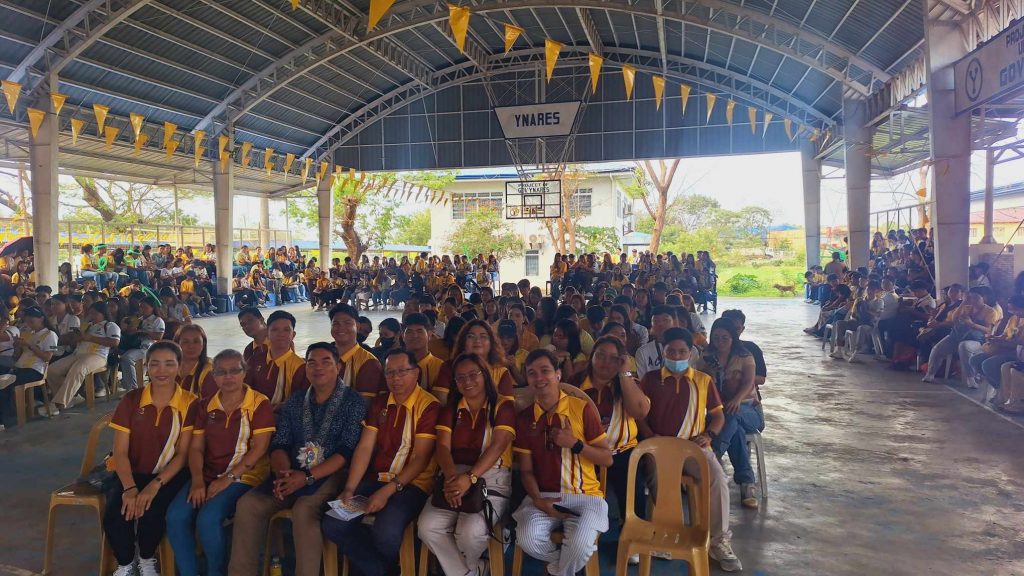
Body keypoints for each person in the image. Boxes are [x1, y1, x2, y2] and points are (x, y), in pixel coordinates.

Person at [228, 342, 367, 576]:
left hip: (330, 475)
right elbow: (280, 443)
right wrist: (284, 475)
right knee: (248, 505)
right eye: (311, 362)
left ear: (339, 367)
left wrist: (307, 477)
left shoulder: (353, 402)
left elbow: (346, 452)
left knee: (304, 510)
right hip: (289, 473)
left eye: (326, 362)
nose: (318, 368)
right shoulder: (295, 401)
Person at [324, 349, 440, 576]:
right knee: (333, 523)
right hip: (375, 480)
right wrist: (350, 488)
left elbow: (421, 459)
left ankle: (373, 567)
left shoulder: (429, 406)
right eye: (389, 373)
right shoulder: (380, 404)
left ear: (416, 373)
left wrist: (387, 491)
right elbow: (365, 447)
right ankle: (383, 570)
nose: (395, 379)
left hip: (411, 486)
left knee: (385, 532)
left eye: (402, 372)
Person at [637, 327, 741, 572]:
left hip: (694, 445)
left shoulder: (703, 381)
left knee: (717, 478)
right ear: (663, 351)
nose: (676, 356)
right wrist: (650, 437)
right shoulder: (650, 380)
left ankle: (719, 540)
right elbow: (639, 415)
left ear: (691, 352)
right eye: (671, 351)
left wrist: (709, 435)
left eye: (681, 351)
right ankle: (667, 532)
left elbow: (718, 416)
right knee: (658, 478)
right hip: (660, 445)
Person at [166, 349, 274, 576]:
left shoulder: (258, 403)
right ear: (213, 376)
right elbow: (196, 448)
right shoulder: (205, 406)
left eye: (235, 370)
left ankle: (216, 572)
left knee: (208, 518)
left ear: (244, 372)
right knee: (176, 516)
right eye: (222, 372)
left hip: (245, 475)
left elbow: (259, 449)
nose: (229, 377)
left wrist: (228, 479)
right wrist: (197, 481)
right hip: (207, 473)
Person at [513, 349, 613, 576]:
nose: (539, 378)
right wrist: (538, 500)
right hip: (545, 496)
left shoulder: (581, 409)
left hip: (586, 495)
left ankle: (557, 571)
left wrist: (576, 444)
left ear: (558, 374)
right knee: (527, 539)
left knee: (579, 544)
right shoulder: (525, 418)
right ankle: (562, 565)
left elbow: (607, 459)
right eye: (531, 373)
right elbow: (526, 471)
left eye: (545, 371)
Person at [417, 353, 515, 576]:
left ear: (485, 376)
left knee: (469, 533)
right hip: (453, 474)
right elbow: (442, 447)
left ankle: (464, 569)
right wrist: (453, 479)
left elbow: (498, 445)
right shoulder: (451, 409)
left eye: (473, 375)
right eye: (460, 378)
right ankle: (473, 570)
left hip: (491, 476)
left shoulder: (502, 407)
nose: (467, 382)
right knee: (427, 527)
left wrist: (470, 478)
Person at [105, 341, 198, 576]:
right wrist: (130, 488)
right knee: (117, 513)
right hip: (132, 471)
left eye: (169, 364)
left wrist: (154, 486)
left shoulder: (190, 403)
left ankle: (147, 559)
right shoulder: (131, 400)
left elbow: (183, 455)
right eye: (154, 364)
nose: (161, 370)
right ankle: (126, 563)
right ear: (146, 367)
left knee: (153, 511)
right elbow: (120, 452)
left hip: (170, 474)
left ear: (179, 367)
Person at [568, 336, 649, 524]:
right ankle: (577, 529)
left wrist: (625, 374)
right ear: (592, 357)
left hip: (621, 450)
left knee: (632, 487)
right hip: (584, 451)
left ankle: (633, 532)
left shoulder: (629, 383)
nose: (605, 362)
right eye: (600, 355)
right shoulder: (575, 383)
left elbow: (639, 412)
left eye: (613, 358)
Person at [697, 318, 762, 509]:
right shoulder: (707, 356)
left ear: (733, 337)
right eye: (716, 337)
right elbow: (699, 379)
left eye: (725, 337)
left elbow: (749, 382)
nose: (720, 341)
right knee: (735, 431)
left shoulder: (745, 355)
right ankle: (747, 483)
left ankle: (715, 452)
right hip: (721, 413)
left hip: (749, 410)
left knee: (732, 414)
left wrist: (737, 399)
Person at [43, 301, 121, 415]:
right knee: (52, 370)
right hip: (78, 353)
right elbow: (76, 343)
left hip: (97, 356)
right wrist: (77, 338)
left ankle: (59, 403)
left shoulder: (110, 325)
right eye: (90, 314)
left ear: (103, 313)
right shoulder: (88, 326)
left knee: (78, 368)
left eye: (95, 314)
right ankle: (71, 397)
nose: (92, 316)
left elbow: (114, 342)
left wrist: (89, 338)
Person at [434, 320, 516, 402]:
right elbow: (441, 403)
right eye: (471, 336)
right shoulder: (449, 367)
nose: (477, 340)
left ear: (491, 343)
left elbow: (507, 408)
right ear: (463, 342)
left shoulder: (501, 372)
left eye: (483, 336)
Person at [0, 307, 56, 425]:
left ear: (41, 318)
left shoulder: (50, 334)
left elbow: (47, 357)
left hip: (35, 370)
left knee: (7, 384)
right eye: (28, 322)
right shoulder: (29, 334)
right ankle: (7, 414)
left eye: (32, 321)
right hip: (20, 367)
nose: (30, 325)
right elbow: (17, 356)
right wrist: (17, 346)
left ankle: (8, 417)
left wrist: (29, 345)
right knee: (3, 379)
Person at [245, 310, 310, 405]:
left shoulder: (301, 367)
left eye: (286, 330)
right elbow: (245, 390)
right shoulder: (254, 360)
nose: (281, 334)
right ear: (267, 332)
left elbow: (300, 401)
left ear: (293, 335)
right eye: (275, 329)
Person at [329, 303, 386, 399]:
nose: (341, 328)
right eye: (336, 323)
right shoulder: (323, 355)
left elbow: (363, 407)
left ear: (358, 326)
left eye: (347, 323)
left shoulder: (369, 363)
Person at [120, 297, 166, 393]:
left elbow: (159, 336)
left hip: (148, 347)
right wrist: (129, 327)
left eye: (145, 307)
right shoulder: (138, 319)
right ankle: (128, 385)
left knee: (127, 358)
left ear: (152, 308)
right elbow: (130, 333)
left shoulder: (157, 320)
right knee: (121, 355)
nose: (142, 310)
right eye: (140, 307)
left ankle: (133, 389)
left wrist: (143, 332)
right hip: (135, 345)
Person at [402, 313, 446, 397]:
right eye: (409, 331)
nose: (414, 336)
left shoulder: (440, 367)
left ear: (429, 334)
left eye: (419, 331)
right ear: (402, 336)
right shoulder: (395, 365)